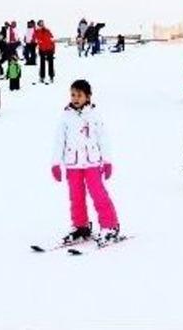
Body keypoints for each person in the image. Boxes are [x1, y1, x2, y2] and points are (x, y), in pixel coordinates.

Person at [51, 79, 121, 246]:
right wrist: (55, 163)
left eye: (79, 95)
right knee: (75, 197)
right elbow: (59, 141)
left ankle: (110, 226)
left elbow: (104, 139)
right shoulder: (65, 117)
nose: (75, 98)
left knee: (98, 193)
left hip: (92, 163)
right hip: (73, 164)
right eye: (73, 94)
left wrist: (107, 160)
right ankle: (81, 226)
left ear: (88, 97)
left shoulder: (94, 116)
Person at [34, 20, 56, 84]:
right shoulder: (37, 31)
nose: (42, 25)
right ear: (38, 25)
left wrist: (53, 49)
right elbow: (36, 39)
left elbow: (52, 39)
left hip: (49, 49)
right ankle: (42, 77)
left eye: (42, 24)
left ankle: (51, 77)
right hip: (42, 49)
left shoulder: (47, 30)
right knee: (42, 64)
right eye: (40, 24)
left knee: (51, 64)